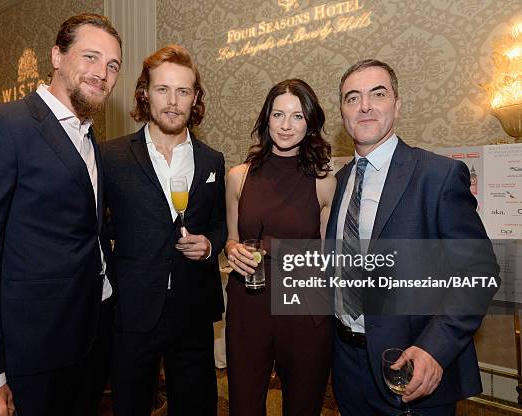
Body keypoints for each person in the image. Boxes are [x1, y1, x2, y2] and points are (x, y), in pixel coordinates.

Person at [0, 13, 121, 416]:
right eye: (90, 57)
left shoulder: (90, 139)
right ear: (56, 56)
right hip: (28, 356)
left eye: (112, 66)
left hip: (87, 340)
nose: (102, 73)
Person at [326, 59, 500, 415]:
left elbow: (479, 274)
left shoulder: (438, 176)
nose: (365, 106)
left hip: (411, 366)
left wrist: (435, 348)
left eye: (378, 94)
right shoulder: (341, 181)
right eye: (352, 98)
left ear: (397, 105)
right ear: (343, 112)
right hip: (347, 365)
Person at [101, 44, 226, 416]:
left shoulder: (211, 159)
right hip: (133, 309)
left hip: (193, 310)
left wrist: (209, 245)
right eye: (162, 89)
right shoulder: (111, 155)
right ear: (144, 93)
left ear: (195, 97)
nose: (173, 102)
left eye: (183, 91)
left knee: (197, 406)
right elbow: (92, 225)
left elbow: (219, 224)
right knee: (131, 405)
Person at [225, 78, 336, 416]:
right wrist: (231, 250)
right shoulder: (238, 176)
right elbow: (231, 238)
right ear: (266, 119)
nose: (286, 125)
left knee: (303, 405)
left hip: (304, 306)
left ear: (311, 123)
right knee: (244, 404)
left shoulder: (324, 181)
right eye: (278, 114)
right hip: (249, 303)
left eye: (298, 116)